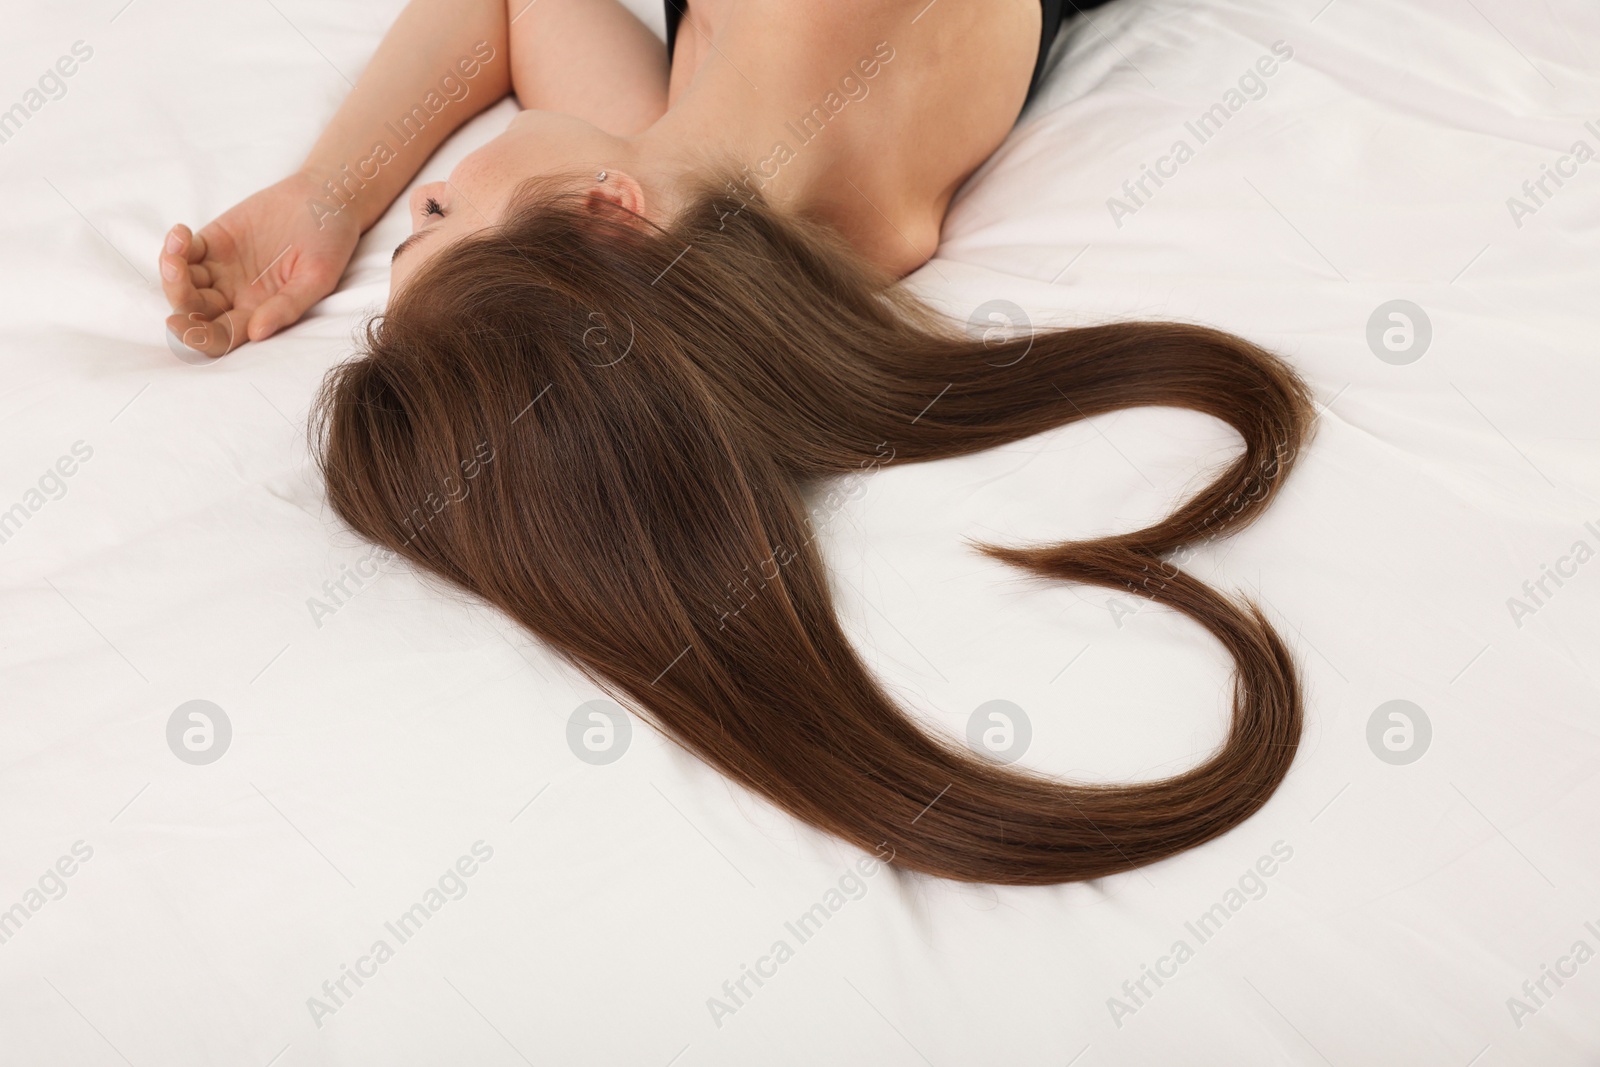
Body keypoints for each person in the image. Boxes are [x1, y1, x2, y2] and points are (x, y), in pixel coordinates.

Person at [162, 0, 1319, 886]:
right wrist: (355, 196)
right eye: (439, 219)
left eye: (418, 219)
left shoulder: (782, 220)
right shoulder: (764, 79)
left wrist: (326, 190)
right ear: (610, 210)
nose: (416, 201)